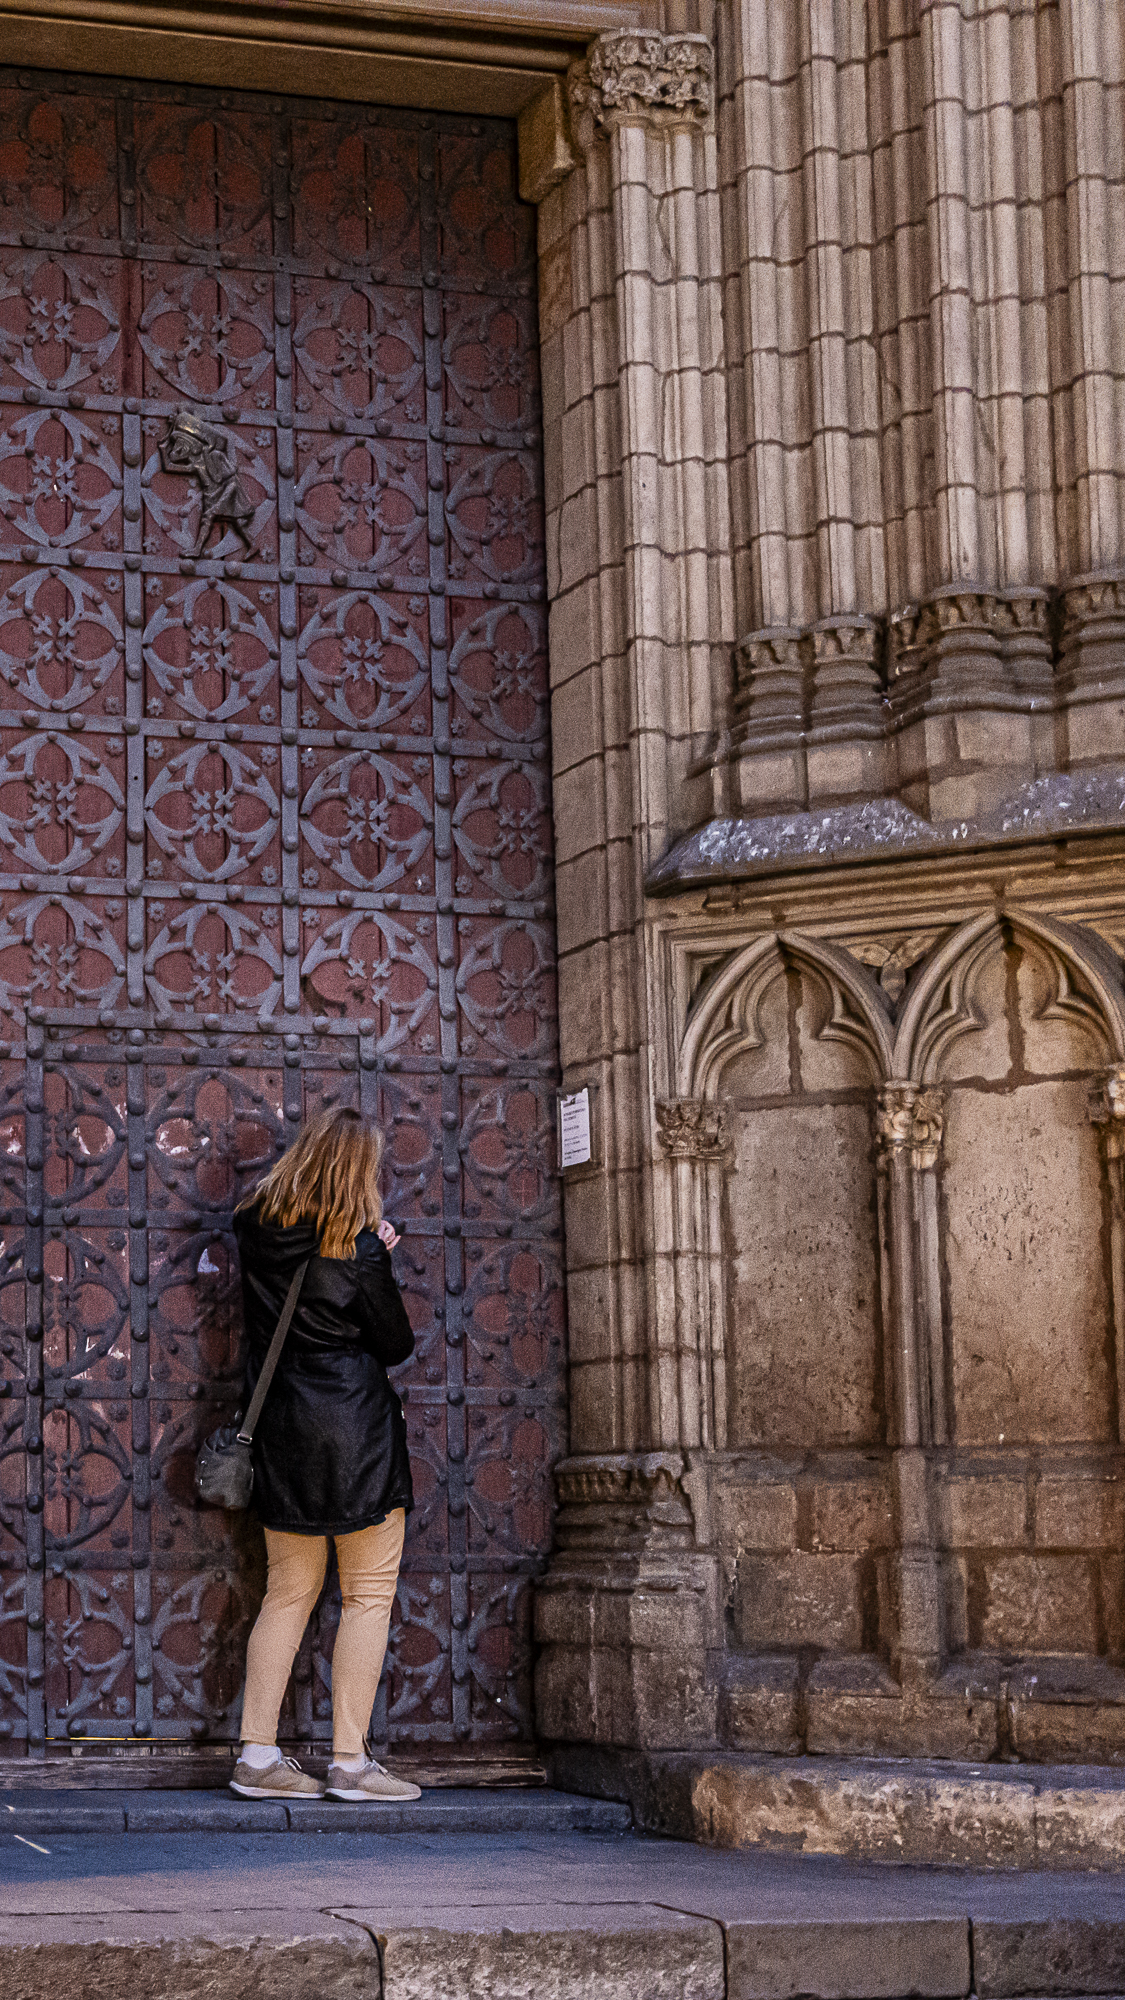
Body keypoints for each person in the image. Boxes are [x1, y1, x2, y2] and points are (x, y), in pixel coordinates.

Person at [228, 1106, 421, 1803]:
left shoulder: (253, 1227)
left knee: (287, 1592)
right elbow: (395, 1344)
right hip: (358, 1434)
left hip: (283, 1427)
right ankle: (349, 1764)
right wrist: (382, 1258)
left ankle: (255, 1756)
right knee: (366, 1597)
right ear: (360, 1172)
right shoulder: (361, 1249)